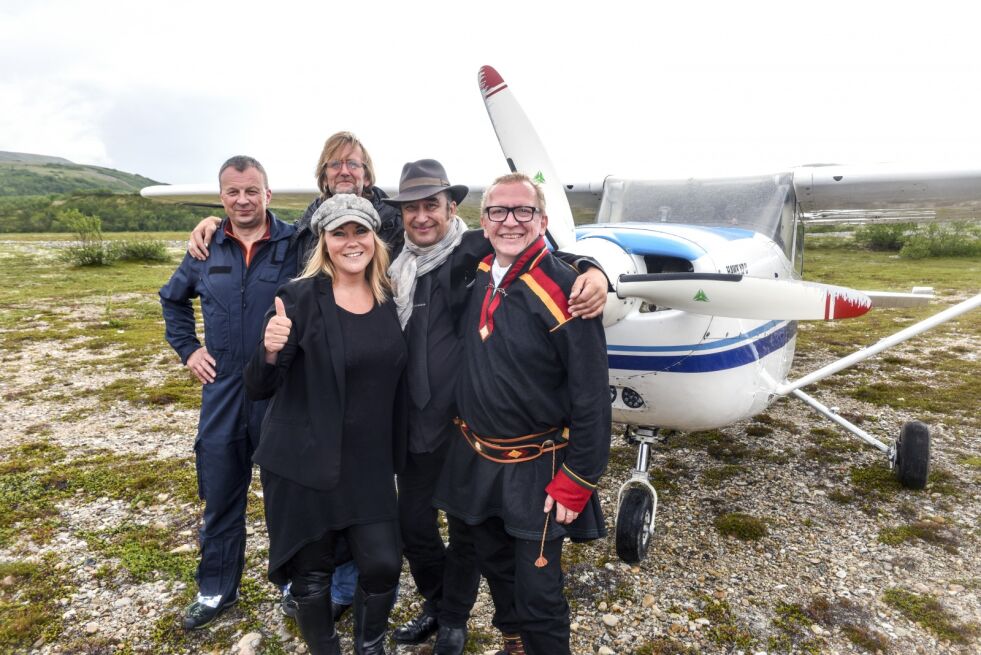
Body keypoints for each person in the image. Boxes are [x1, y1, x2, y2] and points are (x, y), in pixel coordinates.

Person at [381, 160, 608, 655]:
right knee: (497, 565)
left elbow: (592, 396)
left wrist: (579, 478)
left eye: (523, 211)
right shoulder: (478, 268)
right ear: (483, 222)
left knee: (540, 592)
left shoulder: (566, 293)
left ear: (542, 221)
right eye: (498, 212)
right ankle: (513, 644)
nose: (510, 221)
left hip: (538, 464)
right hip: (476, 456)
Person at [188, 131, 392, 620]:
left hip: (354, 388)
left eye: (355, 165)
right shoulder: (298, 232)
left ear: (368, 175)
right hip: (269, 383)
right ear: (322, 176)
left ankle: (341, 587)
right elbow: (247, 230)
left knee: (345, 495)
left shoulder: (395, 223)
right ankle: (231, 587)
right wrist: (187, 347)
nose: (345, 172)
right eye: (335, 166)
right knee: (242, 486)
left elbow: (450, 235)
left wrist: (586, 266)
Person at [244, 194, 406, 655]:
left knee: (383, 564)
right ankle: (325, 649)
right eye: (340, 233)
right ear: (324, 240)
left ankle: (369, 646)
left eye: (360, 232)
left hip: (369, 464)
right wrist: (271, 348)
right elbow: (258, 386)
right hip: (304, 461)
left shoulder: (390, 298)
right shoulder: (298, 298)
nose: (351, 242)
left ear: (375, 239)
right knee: (311, 573)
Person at [160, 155, 297, 630]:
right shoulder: (205, 248)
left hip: (280, 390)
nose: (243, 200)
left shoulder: (295, 242)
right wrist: (188, 349)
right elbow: (172, 299)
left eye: (252, 191)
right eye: (233, 192)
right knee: (220, 492)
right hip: (222, 391)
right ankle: (217, 589)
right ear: (222, 197)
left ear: (268, 194)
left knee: (286, 492)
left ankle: (294, 585)